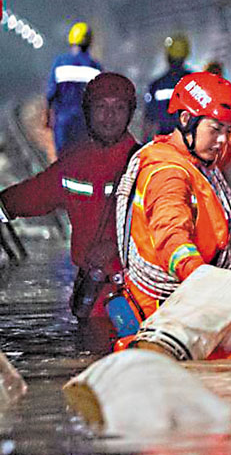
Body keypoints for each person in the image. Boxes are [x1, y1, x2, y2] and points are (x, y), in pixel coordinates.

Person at [118, 72, 231, 321]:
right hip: (167, 312)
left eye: (227, 129)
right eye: (216, 129)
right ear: (185, 119)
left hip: (189, 297)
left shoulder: (196, 156)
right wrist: (207, 285)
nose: (222, 139)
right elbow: (172, 238)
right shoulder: (168, 175)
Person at [0, 73, 138, 327]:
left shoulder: (146, 163)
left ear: (129, 113)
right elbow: (36, 193)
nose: (110, 116)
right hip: (92, 295)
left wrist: (115, 246)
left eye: (118, 108)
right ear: (88, 112)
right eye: (101, 107)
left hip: (138, 295)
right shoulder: (76, 163)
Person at [46, 21, 103, 155]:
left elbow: (51, 93)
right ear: (89, 42)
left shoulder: (60, 63)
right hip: (85, 124)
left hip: (63, 122)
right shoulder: (95, 67)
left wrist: (48, 117)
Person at [143, 34, 192, 140]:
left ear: (167, 56)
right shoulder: (195, 83)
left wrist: (145, 145)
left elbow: (149, 120)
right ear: (186, 55)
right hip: (189, 141)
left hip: (165, 141)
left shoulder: (157, 85)